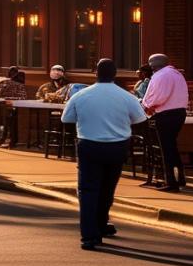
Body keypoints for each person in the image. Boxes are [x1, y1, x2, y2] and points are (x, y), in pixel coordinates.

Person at [62, 58, 147, 250]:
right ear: (115, 74)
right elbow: (139, 118)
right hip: (117, 146)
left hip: (89, 144)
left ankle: (90, 236)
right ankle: (101, 224)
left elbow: (66, 118)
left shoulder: (81, 95)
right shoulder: (127, 97)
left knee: (89, 191)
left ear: (96, 74)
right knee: (107, 189)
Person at [141, 54, 188, 192]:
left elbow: (157, 96)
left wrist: (146, 106)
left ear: (153, 65)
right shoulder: (177, 74)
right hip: (179, 113)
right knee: (172, 146)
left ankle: (171, 182)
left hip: (166, 114)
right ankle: (180, 178)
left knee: (166, 149)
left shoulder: (160, 75)